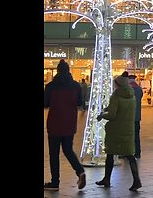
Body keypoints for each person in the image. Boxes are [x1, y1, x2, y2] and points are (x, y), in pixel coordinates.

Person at [44, 60, 88, 190]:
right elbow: (80, 103)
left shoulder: (51, 86)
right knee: (68, 150)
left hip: (54, 123)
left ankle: (55, 182)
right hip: (69, 123)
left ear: (57, 70)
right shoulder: (75, 85)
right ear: (68, 70)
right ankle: (80, 171)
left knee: (54, 154)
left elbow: (45, 103)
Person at [95, 74, 141, 191]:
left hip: (116, 130)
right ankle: (136, 180)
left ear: (118, 84)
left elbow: (112, 114)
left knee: (110, 154)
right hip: (128, 129)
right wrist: (108, 109)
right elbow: (119, 109)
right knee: (130, 155)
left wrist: (102, 115)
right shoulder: (132, 95)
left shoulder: (116, 96)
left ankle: (107, 179)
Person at [124, 71, 142, 159]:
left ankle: (128, 153)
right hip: (137, 117)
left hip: (128, 117)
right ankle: (137, 152)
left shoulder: (127, 89)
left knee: (128, 135)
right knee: (136, 135)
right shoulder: (139, 89)